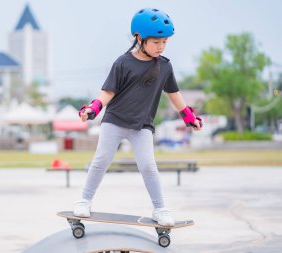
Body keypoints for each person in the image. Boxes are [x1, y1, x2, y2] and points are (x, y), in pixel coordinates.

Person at [73, 8, 202, 226]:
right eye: (156, 42)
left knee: (148, 165)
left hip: (142, 124)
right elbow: (108, 92)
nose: (160, 47)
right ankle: (84, 201)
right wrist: (93, 109)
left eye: (164, 42)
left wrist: (189, 117)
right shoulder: (123, 63)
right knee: (100, 161)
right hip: (115, 120)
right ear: (139, 38)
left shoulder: (164, 66)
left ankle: (160, 209)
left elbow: (174, 94)